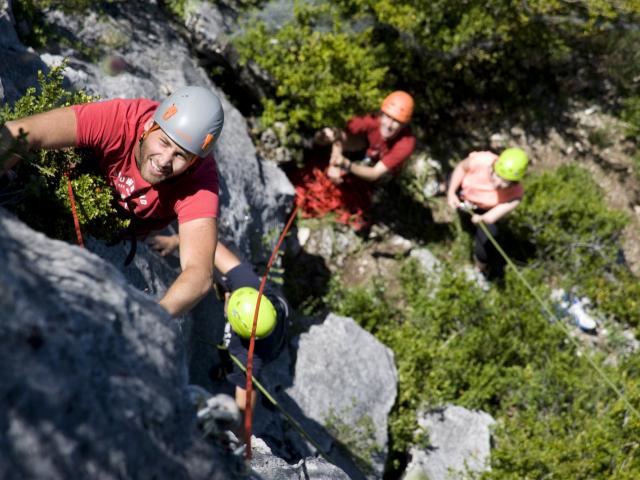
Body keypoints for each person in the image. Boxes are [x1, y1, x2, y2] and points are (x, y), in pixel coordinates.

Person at [0, 86, 224, 317]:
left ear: (194, 162)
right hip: (83, 196)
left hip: (129, 232)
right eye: (164, 143)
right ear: (148, 127)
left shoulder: (200, 180)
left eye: (181, 155)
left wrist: (155, 320)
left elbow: (199, 274)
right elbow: (21, 131)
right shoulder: (120, 120)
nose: (165, 161)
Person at [148, 235, 289, 433]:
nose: (228, 296)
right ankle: (225, 366)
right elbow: (207, 242)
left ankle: (225, 368)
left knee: (230, 357)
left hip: (268, 347)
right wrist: (176, 241)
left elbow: (243, 414)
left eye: (228, 299)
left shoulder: (247, 360)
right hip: (275, 326)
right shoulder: (248, 284)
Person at [292, 91, 417, 229]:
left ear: (405, 125)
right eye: (387, 117)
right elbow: (339, 133)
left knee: (373, 189)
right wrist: (334, 163)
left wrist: (345, 164)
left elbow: (375, 173)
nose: (389, 125)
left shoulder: (406, 143)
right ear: (381, 113)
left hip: (379, 172)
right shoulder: (371, 121)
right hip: (362, 151)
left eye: (396, 122)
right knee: (328, 134)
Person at [446, 147, 529, 272]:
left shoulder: (516, 194)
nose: (497, 184)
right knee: (449, 180)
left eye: (505, 183)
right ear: (493, 167)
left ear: (514, 183)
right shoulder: (482, 160)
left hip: (483, 211)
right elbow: (461, 168)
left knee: (485, 245)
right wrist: (451, 192)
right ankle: (442, 188)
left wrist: (481, 219)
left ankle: (480, 268)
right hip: (462, 193)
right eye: (497, 176)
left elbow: (492, 216)